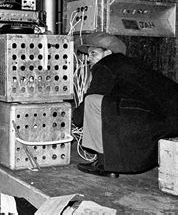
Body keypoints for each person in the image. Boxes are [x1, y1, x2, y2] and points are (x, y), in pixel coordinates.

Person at [73, 32, 178, 177]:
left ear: (108, 53)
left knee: (93, 102)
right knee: (108, 103)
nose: (89, 58)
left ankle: (105, 164)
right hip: (169, 117)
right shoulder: (127, 64)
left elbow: (92, 96)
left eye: (94, 53)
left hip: (159, 119)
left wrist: (71, 121)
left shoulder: (106, 64)